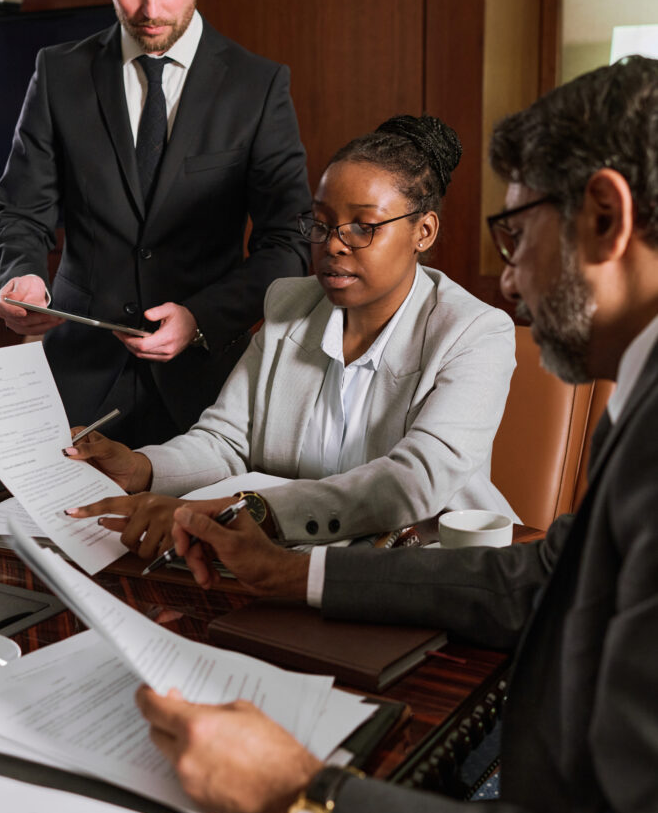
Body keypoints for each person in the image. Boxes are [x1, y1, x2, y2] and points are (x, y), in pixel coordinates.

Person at [135, 56, 657, 813]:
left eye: (516, 234)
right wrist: (292, 573)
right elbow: (543, 576)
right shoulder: (639, 390)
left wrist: (305, 800)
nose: (509, 280)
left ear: (605, 218)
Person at [67, 113, 517, 554]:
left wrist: (232, 511)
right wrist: (141, 469)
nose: (333, 244)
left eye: (364, 226)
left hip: (425, 566)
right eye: (320, 224)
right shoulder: (290, 307)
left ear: (423, 231)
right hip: (287, 560)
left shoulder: (474, 333)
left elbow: (412, 482)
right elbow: (226, 441)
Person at [0, 0, 310, 447]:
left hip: (208, 390)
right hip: (74, 381)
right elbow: (20, 210)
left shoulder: (260, 87)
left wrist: (201, 318)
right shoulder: (58, 73)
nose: (151, 9)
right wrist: (21, 274)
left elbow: (287, 243)